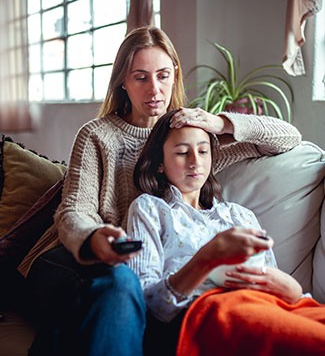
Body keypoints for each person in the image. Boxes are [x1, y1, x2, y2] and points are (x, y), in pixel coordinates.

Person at [17, 26, 302, 356]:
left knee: (124, 284)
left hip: (128, 270)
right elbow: (74, 211)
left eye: (163, 75)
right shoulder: (97, 134)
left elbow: (288, 138)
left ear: (174, 76)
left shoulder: (189, 137)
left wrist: (221, 124)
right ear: (122, 81)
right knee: (121, 283)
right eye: (140, 77)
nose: (154, 89)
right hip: (71, 257)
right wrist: (95, 238)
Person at [126, 110, 325, 356]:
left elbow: (289, 136)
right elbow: (149, 307)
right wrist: (207, 259)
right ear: (159, 163)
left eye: (203, 151)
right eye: (181, 152)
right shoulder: (150, 209)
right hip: (211, 312)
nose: (195, 162)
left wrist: (293, 290)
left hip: (266, 304)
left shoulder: (239, 215)